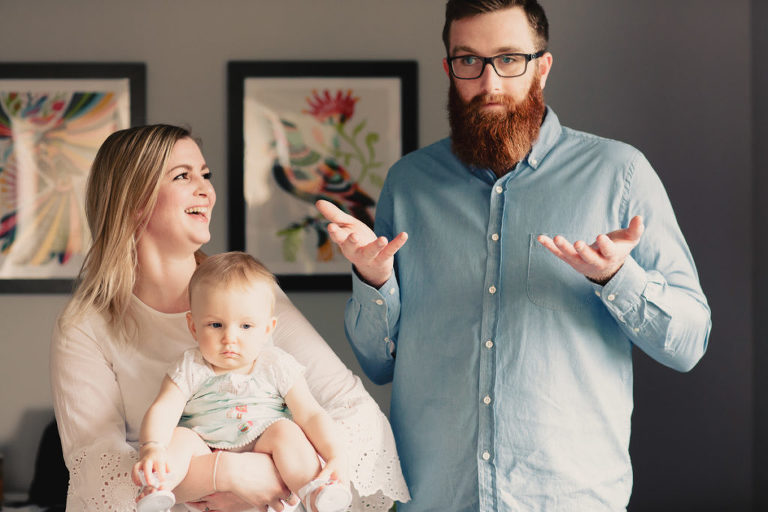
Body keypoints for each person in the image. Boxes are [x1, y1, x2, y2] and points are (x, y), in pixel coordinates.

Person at [315, 0, 712, 510]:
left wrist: (618, 276)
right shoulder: (408, 184)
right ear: (449, 68)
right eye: (468, 61)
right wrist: (373, 282)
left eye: (508, 59)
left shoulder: (620, 174)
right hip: (434, 499)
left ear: (542, 66)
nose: (489, 83)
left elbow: (688, 343)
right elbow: (378, 364)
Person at [51, 124, 410, 511]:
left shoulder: (251, 297)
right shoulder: (85, 327)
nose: (206, 190)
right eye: (183, 176)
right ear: (134, 200)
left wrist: (273, 472)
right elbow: (96, 471)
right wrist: (229, 474)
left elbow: (357, 415)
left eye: (205, 175)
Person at [133, 252, 352, 512]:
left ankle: (317, 491)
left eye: (246, 326)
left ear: (268, 328)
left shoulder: (276, 365)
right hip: (206, 451)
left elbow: (311, 413)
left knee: (287, 430)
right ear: (193, 326)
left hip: (264, 448)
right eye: (216, 325)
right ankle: (157, 485)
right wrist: (152, 447)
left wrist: (335, 455)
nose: (230, 338)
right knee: (180, 436)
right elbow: (164, 408)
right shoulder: (191, 366)